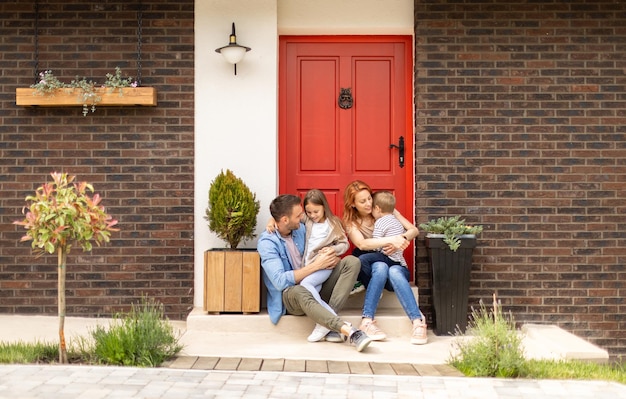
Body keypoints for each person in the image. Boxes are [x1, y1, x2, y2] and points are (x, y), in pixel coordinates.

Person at [257, 194, 373, 352]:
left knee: (352, 261)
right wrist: (317, 265)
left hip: (317, 285)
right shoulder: (267, 242)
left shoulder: (301, 228)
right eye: (299, 216)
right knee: (300, 289)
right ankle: (351, 332)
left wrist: (332, 257)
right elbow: (280, 281)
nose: (304, 217)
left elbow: (328, 236)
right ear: (285, 220)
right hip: (292, 295)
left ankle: (324, 322)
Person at [343, 180, 428, 345]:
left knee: (394, 271)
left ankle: (418, 322)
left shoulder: (382, 208)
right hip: (375, 266)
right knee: (379, 266)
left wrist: (402, 239)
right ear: (353, 204)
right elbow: (362, 244)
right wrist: (391, 239)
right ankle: (367, 321)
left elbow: (414, 230)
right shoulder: (351, 222)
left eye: (369, 199)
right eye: (362, 201)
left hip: (395, 266)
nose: (369, 204)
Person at [292, 189, 350, 342]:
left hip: (324, 265)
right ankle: (329, 321)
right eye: (309, 212)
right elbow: (292, 217)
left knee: (305, 284)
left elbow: (344, 244)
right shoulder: (308, 221)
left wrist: (333, 249)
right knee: (311, 293)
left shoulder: (334, 223)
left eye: (316, 211)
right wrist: (272, 221)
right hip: (309, 265)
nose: (312, 215)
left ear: (324, 206)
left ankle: (326, 322)